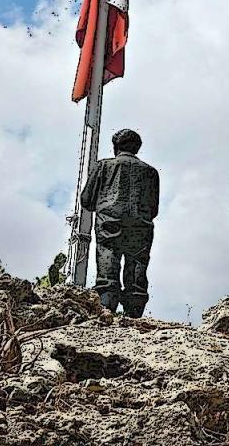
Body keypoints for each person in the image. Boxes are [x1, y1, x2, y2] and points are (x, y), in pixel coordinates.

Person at [81, 128, 159, 318]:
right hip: (140, 225)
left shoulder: (103, 167)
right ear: (137, 149)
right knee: (138, 264)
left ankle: (107, 307)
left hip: (109, 222)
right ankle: (134, 310)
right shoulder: (151, 172)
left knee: (108, 258)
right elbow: (154, 207)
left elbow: (87, 200)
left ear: (116, 147)